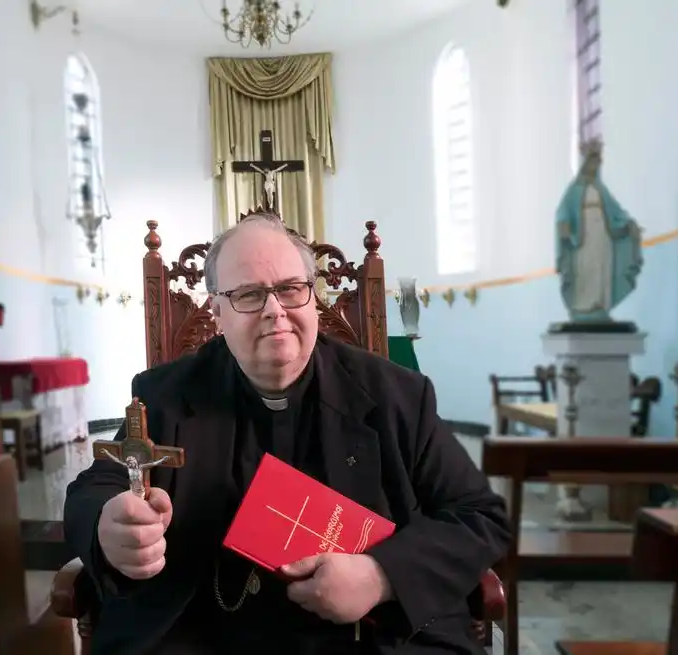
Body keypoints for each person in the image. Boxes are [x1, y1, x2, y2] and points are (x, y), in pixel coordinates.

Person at [64, 213, 511, 655]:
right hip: (204, 632)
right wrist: (110, 526)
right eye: (249, 295)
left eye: (290, 289)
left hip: (367, 635)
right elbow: (97, 487)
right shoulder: (164, 396)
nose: (274, 311)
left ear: (313, 297)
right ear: (217, 311)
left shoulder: (397, 396)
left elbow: (479, 515)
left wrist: (381, 576)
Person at [555, 139, 643, 323]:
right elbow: (562, 212)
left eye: (597, 163)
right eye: (592, 162)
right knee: (585, 268)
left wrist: (629, 225)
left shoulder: (601, 190)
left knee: (601, 267)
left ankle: (599, 305)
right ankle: (583, 307)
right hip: (583, 239)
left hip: (602, 237)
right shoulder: (574, 190)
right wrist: (564, 225)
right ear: (585, 164)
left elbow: (616, 212)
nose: (595, 166)